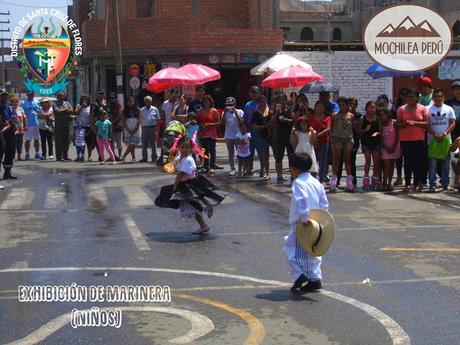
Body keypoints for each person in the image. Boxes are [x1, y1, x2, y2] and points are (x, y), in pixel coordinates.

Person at [155, 137, 226, 234]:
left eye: (187, 147)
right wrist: (168, 167)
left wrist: (175, 186)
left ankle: (206, 213)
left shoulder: (188, 160)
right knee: (193, 205)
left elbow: (180, 174)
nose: (185, 149)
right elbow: (173, 164)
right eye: (182, 147)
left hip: (190, 185)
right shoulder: (180, 157)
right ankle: (204, 221)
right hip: (185, 185)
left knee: (193, 206)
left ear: (191, 148)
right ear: (179, 147)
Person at [284, 152, 329, 292]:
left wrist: (304, 218)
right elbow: (324, 203)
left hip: (302, 222)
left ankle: (299, 275)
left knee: (291, 249)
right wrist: (322, 219)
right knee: (313, 251)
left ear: (295, 169)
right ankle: (315, 278)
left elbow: (301, 200)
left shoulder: (299, 182)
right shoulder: (316, 183)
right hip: (317, 222)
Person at [396, 88, 429, 192]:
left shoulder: (423, 108)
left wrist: (415, 123)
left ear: (417, 98)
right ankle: (407, 184)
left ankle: (417, 183)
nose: (410, 99)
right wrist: (405, 124)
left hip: (419, 139)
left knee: (418, 162)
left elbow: (427, 124)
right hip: (406, 140)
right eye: (408, 96)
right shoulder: (401, 109)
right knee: (407, 162)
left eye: (412, 96)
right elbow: (397, 125)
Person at [427, 89, 456, 192]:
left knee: (445, 165)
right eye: (435, 96)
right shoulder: (428, 109)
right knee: (432, 165)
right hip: (432, 141)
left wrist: (444, 134)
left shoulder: (449, 109)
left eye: (440, 96)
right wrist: (435, 134)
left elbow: (453, 123)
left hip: (446, 140)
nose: (438, 98)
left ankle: (445, 185)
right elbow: (427, 125)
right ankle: (432, 184)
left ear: (443, 97)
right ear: (433, 98)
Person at [330, 97, 354, 192]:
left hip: (347, 139)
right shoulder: (334, 115)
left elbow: (352, 127)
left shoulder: (351, 116)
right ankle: (334, 181)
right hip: (337, 139)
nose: (342, 107)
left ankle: (349, 181)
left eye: (343, 105)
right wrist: (332, 138)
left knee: (347, 160)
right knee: (336, 160)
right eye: (340, 105)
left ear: (347, 105)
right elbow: (331, 127)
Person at [337, 97, 362, 187]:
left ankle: (353, 181)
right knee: (339, 161)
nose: (352, 105)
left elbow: (359, 129)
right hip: (341, 140)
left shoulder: (358, 115)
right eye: (350, 104)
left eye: (354, 104)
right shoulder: (340, 115)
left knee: (351, 161)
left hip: (353, 140)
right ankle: (337, 180)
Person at [270, 93, 294, 183]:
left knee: (291, 156)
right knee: (278, 157)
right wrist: (276, 114)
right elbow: (271, 124)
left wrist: (285, 120)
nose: (282, 102)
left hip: (289, 136)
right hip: (278, 136)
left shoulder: (290, 109)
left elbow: (294, 120)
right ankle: (279, 175)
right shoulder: (274, 111)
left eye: (283, 100)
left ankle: (293, 174)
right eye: (279, 100)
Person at [358, 101, 381, 190]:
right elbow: (359, 131)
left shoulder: (377, 119)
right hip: (366, 142)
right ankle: (366, 178)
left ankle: (375, 178)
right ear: (366, 108)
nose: (372, 109)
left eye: (374, 107)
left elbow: (380, 130)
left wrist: (376, 134)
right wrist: (365, 130)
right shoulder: (362, 118)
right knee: (368, 161)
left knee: (376, 162)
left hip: (375, 142)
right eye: (370, 107)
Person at [308, 101, 330, 184]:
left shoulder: (327, 117)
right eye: (318, 106)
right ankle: (312, 178)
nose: (319, 108)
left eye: (321, 106)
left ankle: (321, 179)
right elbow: (308, 126)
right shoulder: (310, 117)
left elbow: (328, 128)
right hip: (313, 141)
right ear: (315, 107)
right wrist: (313, 134)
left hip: (324, 141)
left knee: (323, 161)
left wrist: (318, 134)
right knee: (313, 160)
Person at [221, 97, 244, 176]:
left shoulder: (240, 111)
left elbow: (242, 122)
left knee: (240, 153)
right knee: (231, 153)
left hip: (238, 135)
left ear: (235, 104)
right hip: (228, 136)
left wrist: (236, 113)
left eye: (231, 104)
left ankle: (241, 169)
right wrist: (224, 112)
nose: (230, 106)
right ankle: (233, 168)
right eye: (228, 105)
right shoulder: (225, 113)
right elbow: (222, 123)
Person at [251, 95, 272, 180]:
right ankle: (263, 170)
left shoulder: (269, 112)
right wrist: (264, 126)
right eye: (261, 102)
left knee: (267, 155)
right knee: (262, 155)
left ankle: (267, 172)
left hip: (270, 135)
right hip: (260, 136)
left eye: (264, 102)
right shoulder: (256, 113)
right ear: (258, 103)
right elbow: (254, 126)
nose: (263, 103)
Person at [198, 95, 220, 174]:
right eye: (205, 101)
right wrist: (202, 126)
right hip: (203, 134)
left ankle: (212, 166)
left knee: (212, 150)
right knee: (205, 151)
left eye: (208, 101)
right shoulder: (200, 111)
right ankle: (206, 166)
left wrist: (211, 124)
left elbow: (218, 122)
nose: (206, 102)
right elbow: (198, 122)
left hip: (212, 133)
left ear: (210, 102)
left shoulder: (214, 111)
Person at [380, 108, 400, 191]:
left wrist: (393, 146)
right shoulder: (380, 124)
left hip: (394, 146)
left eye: (383, 115)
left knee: (392, 165)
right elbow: (380, 138)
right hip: (385, 147)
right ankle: (384, 183)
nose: (382, 117)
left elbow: (397, 136)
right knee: (386, 166)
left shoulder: (394, 123)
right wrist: (386, 147)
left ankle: (389, 183)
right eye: (380, 115)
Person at [393, 88, 409, 186]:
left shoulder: (412, 107)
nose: (404, 96)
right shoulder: (396, 107)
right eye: (402, 94)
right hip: (398, 134)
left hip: (410, 135)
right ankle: (399, 176)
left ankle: (408, 178)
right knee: (399, 157)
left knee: (408, 158)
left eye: (406, 94)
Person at [243, 86, 260, 176]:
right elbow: (245, 119)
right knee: (249, 152)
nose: (254, 94)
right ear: (250, 94)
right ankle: (249, 168)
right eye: (252, 92)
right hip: (250, 131)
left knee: (262, 152)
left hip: (260, 132)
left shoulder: (262, 104)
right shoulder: (248, 105)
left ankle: (263, 169)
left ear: (259, 93)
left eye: (256, 92)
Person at [0, 89, 17, 179]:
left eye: (5, 95)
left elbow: (15, 117)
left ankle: (7, 173)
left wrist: (13, 118)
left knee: (10, 152)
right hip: (2, 132)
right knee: (1, 152)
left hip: (11, 132)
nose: (4, 97)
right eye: (2, 95)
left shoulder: (10, 107)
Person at [53, 92, 73, 161]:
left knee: (66, 141)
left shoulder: (66, 103)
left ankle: (65, 156)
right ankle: (59, 156)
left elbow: (71, 110)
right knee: (59, 141)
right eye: (60, 96)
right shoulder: (55, 104)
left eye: (62, 96)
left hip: (66, 125)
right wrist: (66, 110)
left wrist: (63, 111)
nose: (61, 97)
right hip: (58, 126)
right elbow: (57, 111)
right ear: (57, 97)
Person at [21, 90, 41, 160]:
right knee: (28, 140)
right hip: (28, 124)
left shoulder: (37, 101)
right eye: (29, 94)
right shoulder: (23, 103)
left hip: (37, 123)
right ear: (27, 95)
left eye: (32, 94)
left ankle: (37, 153)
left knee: (37, 139)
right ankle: (27, 154)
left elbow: (40, 111)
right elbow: (22, 114)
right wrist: (24, 124)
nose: (31, 96)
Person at [140, 95, 160, 163]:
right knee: (144, 143)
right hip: (145, 128)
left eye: (148, 101)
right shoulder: (142, 110)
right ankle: (144, 158)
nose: (147, 103)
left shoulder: (155, 109)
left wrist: (157, 129)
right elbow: (140, 119)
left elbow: (158, 119)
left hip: (153, 127)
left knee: (153, 143)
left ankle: (154, 157)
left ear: (151, 102)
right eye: (146, 102)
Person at [121, 96, 142, 163]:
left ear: (134, 102)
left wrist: (136, 128)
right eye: (129, 102)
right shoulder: (124, 110)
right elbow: (123, 120)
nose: (130, 103)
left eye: (132, 101)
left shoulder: (138, 109)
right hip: (128, 128)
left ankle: (124, 156)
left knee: (132, 143)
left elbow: (139, 119)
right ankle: (133, 158)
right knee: (131, 143)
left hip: (136, 128)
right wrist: (128, 129)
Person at [75, 95, 96, 161]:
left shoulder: (90, 107)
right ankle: (81, 156)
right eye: (83, 99)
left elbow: (92, 116)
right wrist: (81, 107)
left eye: (86, 99)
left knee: (89, 143)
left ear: (88, 100)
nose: (84, 100)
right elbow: (76, 113)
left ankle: (89, 157)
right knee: (81, 143)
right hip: (80, 127)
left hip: (88, 126)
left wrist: (91, 125)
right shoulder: (78, 106)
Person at [90, 89, 108, 161]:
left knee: (106, 139)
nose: (101, 95)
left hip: (106, 123)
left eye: (102, 94)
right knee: (98, 140)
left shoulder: (106, 103)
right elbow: (91, 114)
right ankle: (100, 155)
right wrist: (91, 124)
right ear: (97, 95)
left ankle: (108, 155)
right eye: (99, 94)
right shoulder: (94, 103)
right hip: (97, 123)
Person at [107, 92, 123, 161]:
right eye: (110, 98)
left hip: (118, 125)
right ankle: (112, 156)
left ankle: (120, 156)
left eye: (113, 98)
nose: (111, 99)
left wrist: (112, 122)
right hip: (110, 125)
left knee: (119, 142)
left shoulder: (118, 104)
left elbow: (120, 115)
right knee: (111, 142)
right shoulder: (108, 105)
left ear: (115, 98)